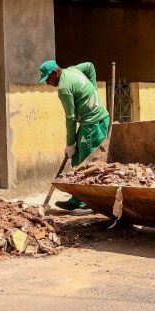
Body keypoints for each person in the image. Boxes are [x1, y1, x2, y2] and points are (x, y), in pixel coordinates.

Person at [38, 59, 110, 211]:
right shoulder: (73, 69)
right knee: (77, 160)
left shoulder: (64, 88)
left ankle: (88, 202)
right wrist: (93, 89)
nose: (48, 83)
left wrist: (70, 143)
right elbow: (90, 66)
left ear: (55, 72)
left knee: (86, 164)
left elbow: (70, 118)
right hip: (90, 122)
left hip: (93, 123)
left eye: (48, 79)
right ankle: (77, 199)